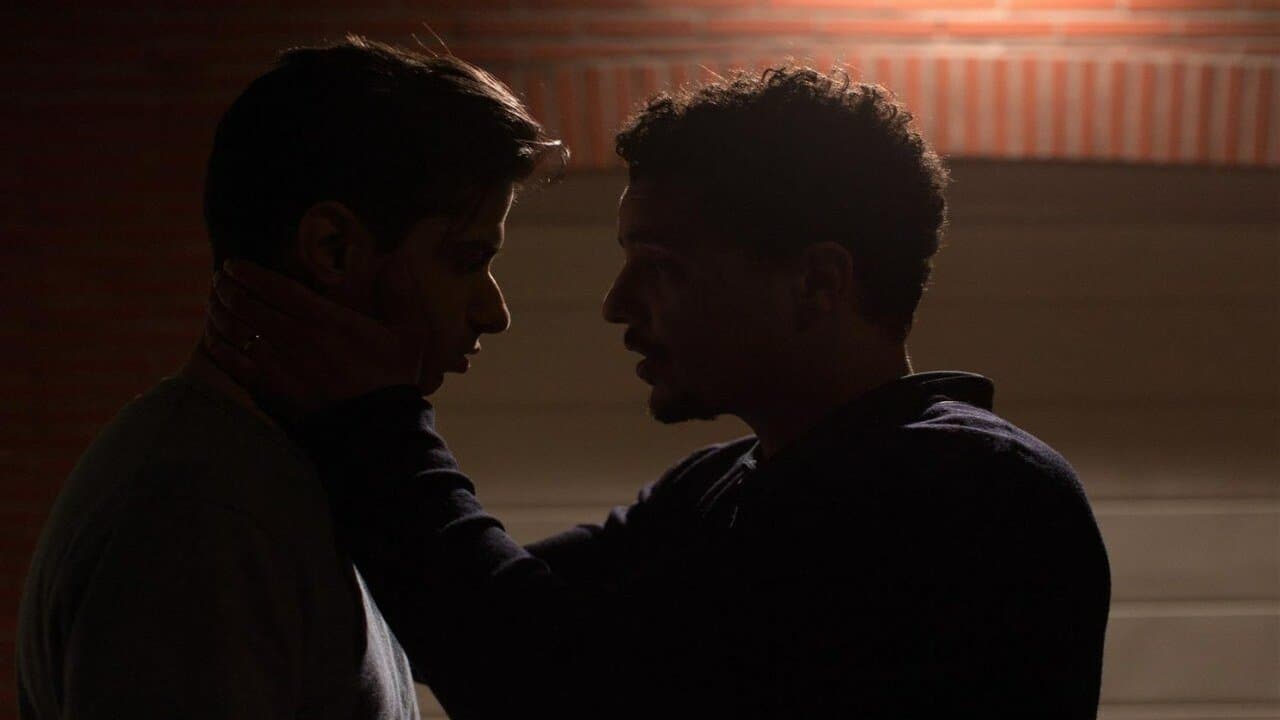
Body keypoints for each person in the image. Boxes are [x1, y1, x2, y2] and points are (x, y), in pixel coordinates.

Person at [207, 67, 1111, 718]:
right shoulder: (722, 486)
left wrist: (374, 418)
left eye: (661, 265)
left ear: (816, 284)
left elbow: (542, 680)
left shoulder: (972, 492)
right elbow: (488, 608)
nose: (616, 303)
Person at [16, 36, 562, 719]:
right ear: (332, 249)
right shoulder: (200, 515)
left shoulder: (281, 478)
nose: (494, 312)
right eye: (466, 259)